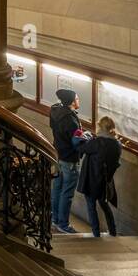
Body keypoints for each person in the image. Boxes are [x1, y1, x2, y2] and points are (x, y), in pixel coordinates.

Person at [77, 116, 122, 238]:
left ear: (101, 127)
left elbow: (82, 148)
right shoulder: (117, 145)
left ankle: (96, 234)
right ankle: (113, 231)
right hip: (106, 181)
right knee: (105, 205)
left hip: (92, 179)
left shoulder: (98, 142)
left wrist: (82, 138)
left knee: (91, 206)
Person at [49, 88, 83, 234]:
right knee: (67, 193)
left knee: (57, 189)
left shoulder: (56, 112)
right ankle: (63, 224)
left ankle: (54, 219)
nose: (78, 100)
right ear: (71, 102)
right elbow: (75, 142)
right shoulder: (70, 120)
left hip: (59, 156)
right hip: (69, 159)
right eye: (77, 98)